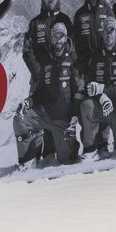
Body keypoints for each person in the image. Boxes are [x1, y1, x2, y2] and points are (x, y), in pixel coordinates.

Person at [14, 22, 80, 167]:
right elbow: (41, 91)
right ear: (51, 38)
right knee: (20, 118)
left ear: (66, 37)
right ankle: (28, 161)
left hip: (64, 122)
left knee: (67, 162)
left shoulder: (73, 61)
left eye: (61, 36)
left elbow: (79, 93)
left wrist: (75, 117)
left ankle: (71, 147)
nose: (58, 40)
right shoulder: (47, 61)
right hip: (46, 116)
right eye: (55, 36)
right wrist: (29, 102)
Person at [80, 16, 116, 160]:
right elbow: (90, 84)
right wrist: (101, 96)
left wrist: (103, 89)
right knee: (86, 105)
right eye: (106, 31)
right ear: (102, 33)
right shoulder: (96, 55)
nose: (109, 34)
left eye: (112, 30)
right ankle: (91, 149)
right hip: (101, 105)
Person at [73, 0, 115, 72]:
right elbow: (74, 42)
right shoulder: (80, 14)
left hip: (104, 65)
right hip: (85, 67)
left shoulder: (108, 12)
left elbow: (115, 38)